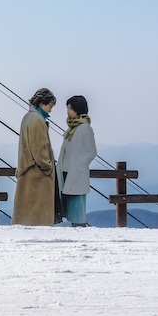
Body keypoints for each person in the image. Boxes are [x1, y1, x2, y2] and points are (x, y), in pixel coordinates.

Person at [12, 88, 58, 226]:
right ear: (43, 103)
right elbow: (40, 150)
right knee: (39, 219)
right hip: (37, 176)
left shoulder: (28, 117)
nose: (50, 110)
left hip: (27, 171)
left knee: (26, 216)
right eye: (50, 105)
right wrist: (48, 166)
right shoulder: (38, 120)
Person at [58, 95, 98, 227]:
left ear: (77, 109)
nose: (68, 111)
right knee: (69, 206)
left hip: (75, 173)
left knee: (77, 207)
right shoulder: (71, 128)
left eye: (70, 108)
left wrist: (78, 166)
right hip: (66, 171)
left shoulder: (85, 128)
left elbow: (91, 151)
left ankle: (80, 229)